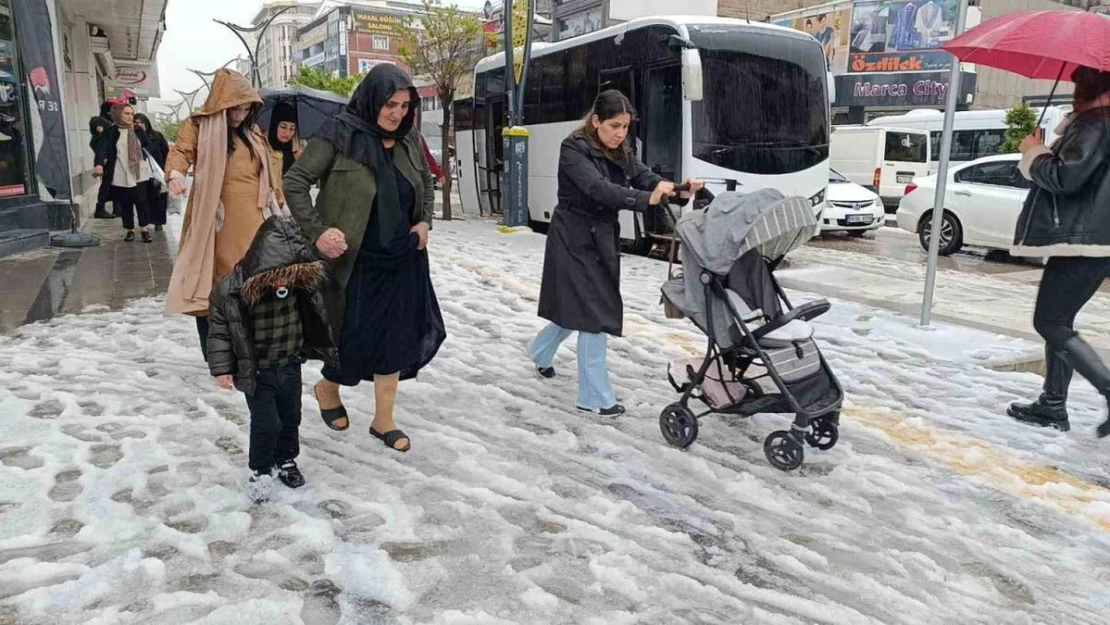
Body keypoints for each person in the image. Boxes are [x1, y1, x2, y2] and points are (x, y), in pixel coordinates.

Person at [285, 64, 445, 453]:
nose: (397, 113)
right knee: (352, 336)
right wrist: (319, 231)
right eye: (390, 104)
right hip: (354, 261)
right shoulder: (339, 135)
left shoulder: (408, 139)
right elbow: (295, 181)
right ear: (373, 99)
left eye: (405, 106)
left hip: (403, 257)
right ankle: (328, 387)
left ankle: (383, 420)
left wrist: (424, 221)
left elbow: (425, 181)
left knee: (396, 338)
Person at [530, 90, 702, 416]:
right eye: (613, 126)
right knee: (593, 315)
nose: (620, 133)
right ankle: (594, 397)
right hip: (573, 239)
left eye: (625, 126)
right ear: (596, 122)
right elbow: (597, 189)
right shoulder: (573, 149)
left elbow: (644, 176)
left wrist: (678, 189)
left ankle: (539, 352)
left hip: (600, 239)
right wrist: (643, 199)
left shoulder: (621, 149)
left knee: (577, 309)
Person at [1008, 65, 1110, 438]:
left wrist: (1034, 151)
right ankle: (1052, 404)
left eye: (1078, 84)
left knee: (1050, 322)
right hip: (1092, 239)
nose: (1072, 92)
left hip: (1083, 241)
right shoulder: (1096, 123)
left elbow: (1066, 179)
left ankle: (1103, 389)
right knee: (1059, 321)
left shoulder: (1095, 123)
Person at [208, 215, 338, 503]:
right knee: (266, 422)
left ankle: (286, 460)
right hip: (257, 371)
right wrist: (222, 368)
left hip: (290, 365)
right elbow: (219, 331)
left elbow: (319, 313)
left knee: (291, 417)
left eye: (288, 272)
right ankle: (260, 469)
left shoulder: (302, 285)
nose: (282, 280)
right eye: (275, 272)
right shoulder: (233, 289)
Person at [164, 69, 285, 360]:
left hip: (256, 219)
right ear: (221, 102)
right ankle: (216, 352)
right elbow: (181, 152)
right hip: (216, 219)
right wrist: (176, 175)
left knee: (253, 281)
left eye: (246, 108)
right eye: (236, 107)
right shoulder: (199, 125)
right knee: (214, 284)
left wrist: (281, 205)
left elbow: (269, 174)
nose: (241, 114)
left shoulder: (254, 133)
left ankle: (247, 345)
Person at [94, 103, 154, 243]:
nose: (129, 116)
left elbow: (148, 146)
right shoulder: (111, 132)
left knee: (142, 201)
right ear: (117, 114)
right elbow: (102, 149)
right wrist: (99, 163)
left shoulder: (138, 130)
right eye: (126, 113)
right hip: (120, 172)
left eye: (131, 113)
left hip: (139, 172)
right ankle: (130, 230)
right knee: (125, 203)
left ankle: (144, 230)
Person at [133, 113, 170, 232]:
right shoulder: (133, 137)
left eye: (141, 122)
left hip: (157, 171)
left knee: (159, 196)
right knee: (143, 198)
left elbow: (166, 152)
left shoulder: (157, 136)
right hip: (142, 172)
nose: (139, 125)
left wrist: (166, 169)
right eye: (136, 123)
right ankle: (145, 221)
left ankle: (159, 222)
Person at [90, 101, 116, 219]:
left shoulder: (110, 123)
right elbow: (100, 140)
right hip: (105, 158)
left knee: (113, 183)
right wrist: (101, 161)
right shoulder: (101, 121)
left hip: (109, 157)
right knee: (107, 183)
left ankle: (117, 208)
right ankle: (100, 208)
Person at [268, 102, 302, 176]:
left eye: (292, 129)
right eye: (283, 127)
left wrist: (299, 161)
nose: (287, 133)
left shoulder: (296, 150)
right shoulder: (262, 147)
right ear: (274, 126)